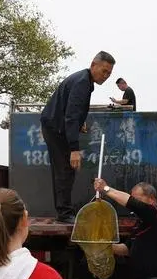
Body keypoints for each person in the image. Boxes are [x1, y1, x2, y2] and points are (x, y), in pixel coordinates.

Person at [40, 50, 116, 223]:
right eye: (104, 71)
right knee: (64, 171)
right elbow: (71, 116)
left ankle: (64, 211)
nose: (106, 76)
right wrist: (74, 149)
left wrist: (80, 121)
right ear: (93, 65)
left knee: (65, 171)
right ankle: (64, 213)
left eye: (109, 73)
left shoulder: (84, 80)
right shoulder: (82, 82)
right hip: (56, 129)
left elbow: (72, 110)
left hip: (57, 126)